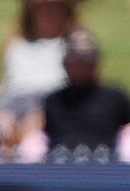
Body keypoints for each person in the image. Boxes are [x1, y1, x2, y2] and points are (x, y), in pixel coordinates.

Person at [0, 0, 76, 147]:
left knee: (35, 123)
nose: (48, 13)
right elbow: (4, 87)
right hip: (12, 102)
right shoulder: (15, 45)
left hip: (51, 104)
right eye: (42, 7)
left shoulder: (73, 45)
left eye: (55, 6)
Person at [20, 28, 130, 160]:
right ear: (65, 63)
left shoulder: (114, 97)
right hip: (59, 166)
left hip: (106, 166)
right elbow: (35, 130)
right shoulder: (53, 100)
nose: (80, 67)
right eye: (75, 61)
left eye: (85, 61)